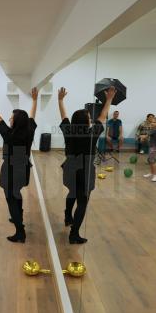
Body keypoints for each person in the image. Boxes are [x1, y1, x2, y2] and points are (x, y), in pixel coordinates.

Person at [58, 86, 114, 244]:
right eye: (89, 118)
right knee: (82, 202)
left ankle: (68, 216)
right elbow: (103, 115)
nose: (91, 120)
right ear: (86, 122)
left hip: (69, 170)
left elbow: (63, 116)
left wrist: (60, 100)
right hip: (85, 172)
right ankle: (74, 234)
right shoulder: (92, 133)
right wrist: (109, 99)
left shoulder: (69, 130)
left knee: (72, 192)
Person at [0, 86, 37, 243]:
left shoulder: (8, 134)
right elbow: (32, 117)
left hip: (10, 170)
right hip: (23, 169)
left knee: (11, 198)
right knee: (17, 193)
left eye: (11, 117)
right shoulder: (29, 131)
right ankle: (18, 216)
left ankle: (20, 231)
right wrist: (35, 100)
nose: (9, 119)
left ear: (16, 121)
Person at [143, 116, 156, 182]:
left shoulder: (155, 129)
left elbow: (146, 136)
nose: (152, 123)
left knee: (152, 161)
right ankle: (152, 173)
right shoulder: (154, 129)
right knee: (150, 160)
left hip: (153, 147)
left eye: (154, 122)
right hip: (152, 146)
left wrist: (142, 136)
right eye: (152, 122)